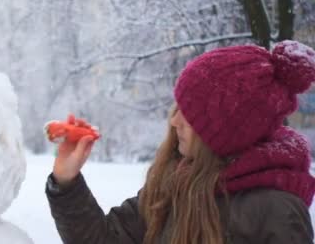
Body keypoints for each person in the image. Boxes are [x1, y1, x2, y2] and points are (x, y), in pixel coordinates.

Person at [46, 40, 315, 244]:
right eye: (178, 107)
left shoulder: (276, 211)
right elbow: (105, 239)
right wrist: (66, 181)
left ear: (226, 130)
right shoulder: (174, 182)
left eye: (190, 113)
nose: (174, 122)